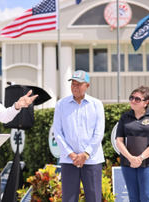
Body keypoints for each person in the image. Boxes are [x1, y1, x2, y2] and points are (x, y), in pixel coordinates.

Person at [53, 70, 105, 202]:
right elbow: (58, 132)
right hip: (69, 160)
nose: (74, 87)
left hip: (92, 160)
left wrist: (85, 154)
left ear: (87, 85)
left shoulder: (96, 104)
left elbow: (99, 132)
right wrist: (71, 154)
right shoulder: (61, 104)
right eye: (73, 84)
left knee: (94, 198)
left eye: (78, 84)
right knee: (69, 199)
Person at [116, 86, 149, 202]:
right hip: (128, 164)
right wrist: (131, 158)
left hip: (148, 163)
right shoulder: (125, 117)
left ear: (146, 102)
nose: (133, 101)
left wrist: (140, 158)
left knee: (146, 197)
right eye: (131, 98)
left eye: (137, 99)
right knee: (133, 197)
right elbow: (119, 140)